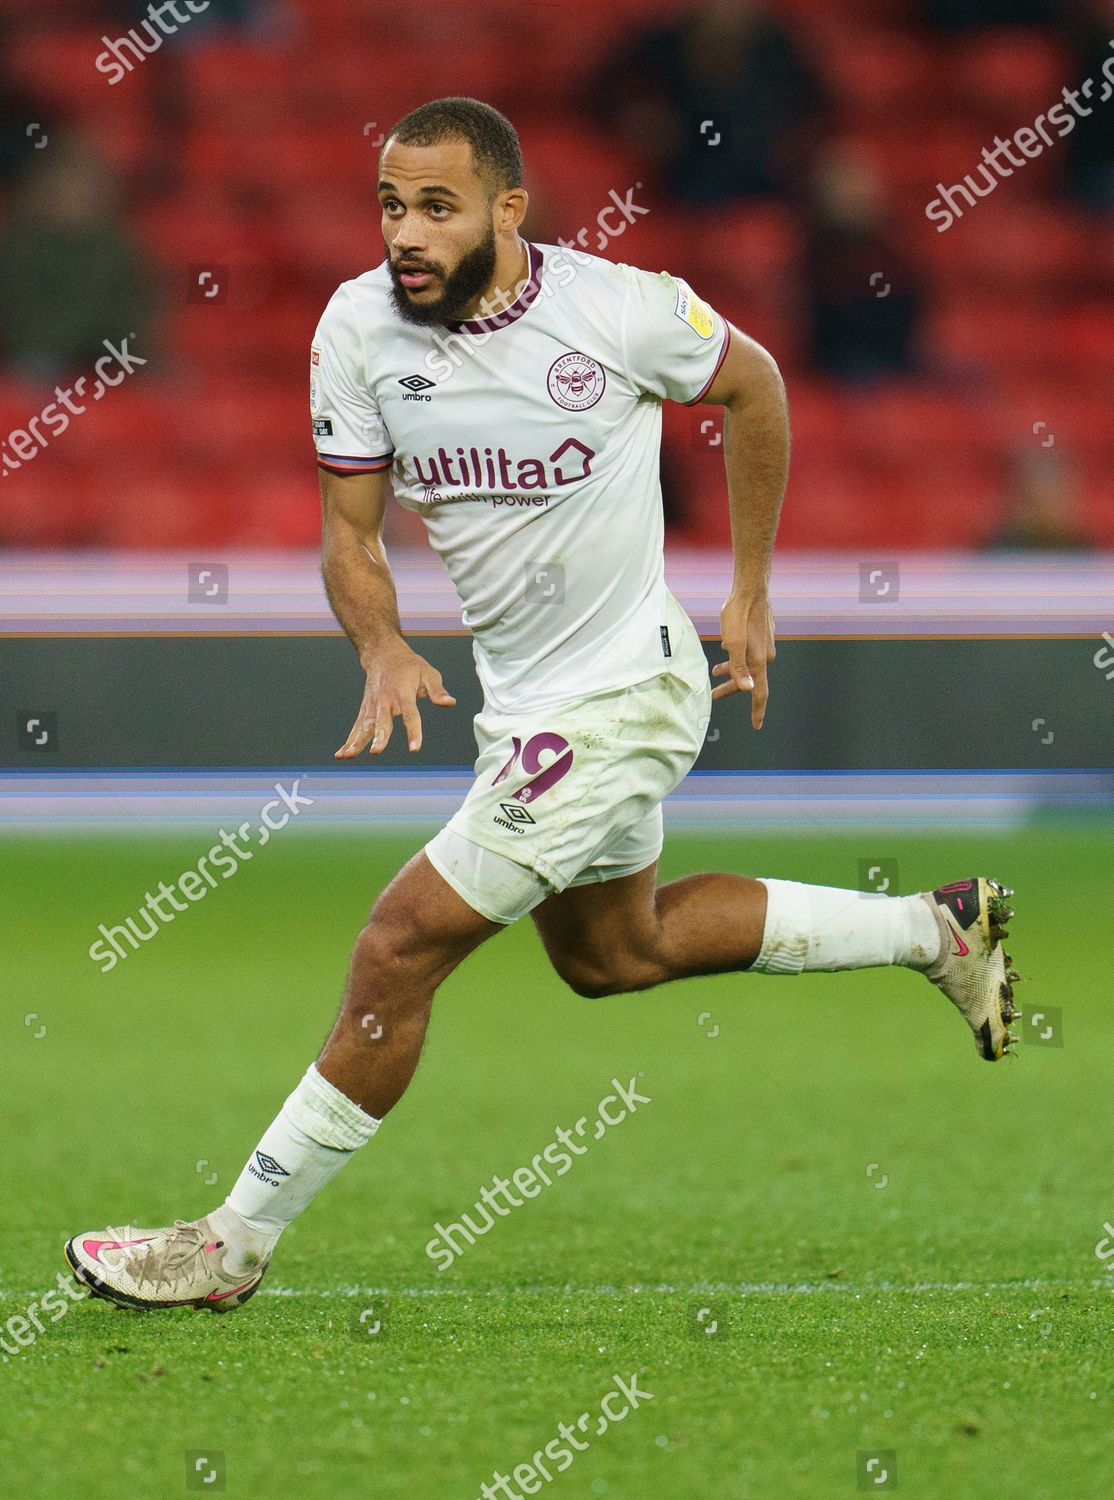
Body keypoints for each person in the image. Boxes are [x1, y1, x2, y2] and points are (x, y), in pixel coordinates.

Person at [64, 98, 1021, 1312]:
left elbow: (758, 388)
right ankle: (936, 931)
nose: (405, 233)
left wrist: (750, 591)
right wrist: (380, 642)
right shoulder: (357, 328)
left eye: (436, 208)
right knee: (618, 957)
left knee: (396, 946)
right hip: (527, 711)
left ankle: (228, 1246)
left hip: (628, 693)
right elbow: (347, 533)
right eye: (390, 206)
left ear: (508, 212)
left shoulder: (618, 310)